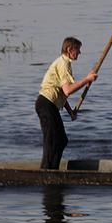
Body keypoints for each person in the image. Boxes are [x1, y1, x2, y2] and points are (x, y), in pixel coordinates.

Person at [35, 37, 97, 169]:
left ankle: (53, 170)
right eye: (78, 49)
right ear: (69, 49)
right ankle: (46, 171)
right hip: (46, 103)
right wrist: (87, 79)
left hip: (50, 104)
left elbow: (62, 94)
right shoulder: (64, 63)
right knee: (52, 140)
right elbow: (68, 90)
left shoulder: (64, 63)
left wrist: (70, 112)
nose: (79, 53)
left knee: (62, 140)